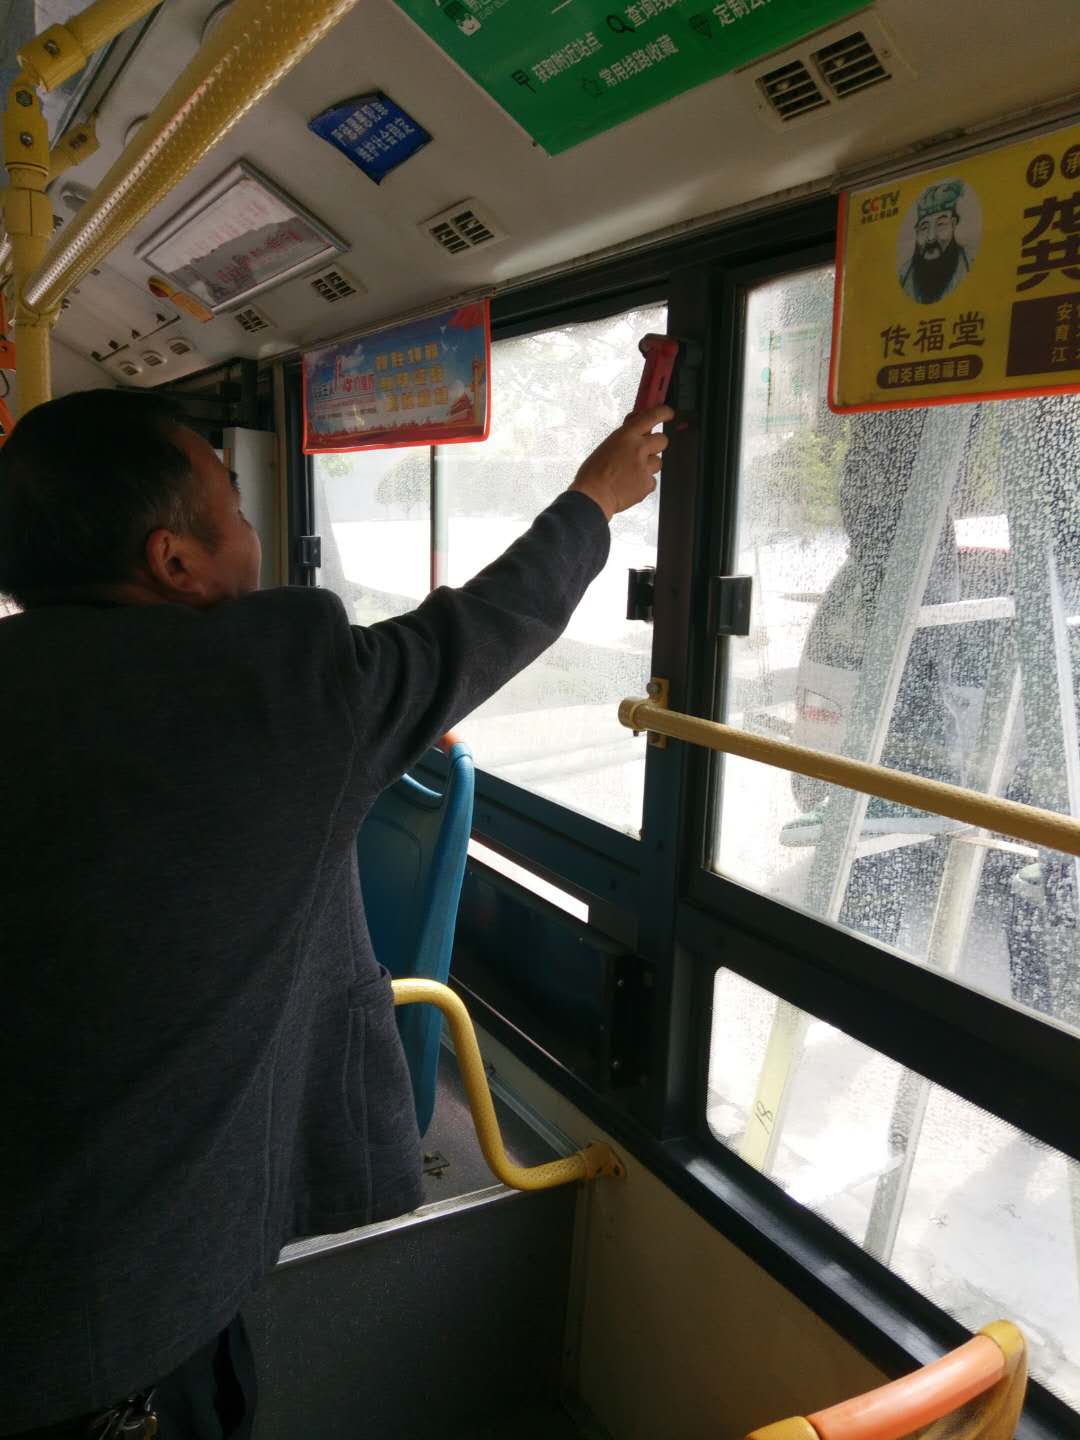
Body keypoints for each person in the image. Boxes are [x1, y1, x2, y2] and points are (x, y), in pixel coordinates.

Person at [0, 388, 671, 1438]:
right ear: (173, 560)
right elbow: (489, 623)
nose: (252, 530)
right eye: (235, 507)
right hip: (116, 1336)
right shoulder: (282, 690)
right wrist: (596, 496)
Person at [898, 180, 972, 305]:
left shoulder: (970, 262)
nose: (931, 237)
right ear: (916, 231)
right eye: (924, 228)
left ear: (953, 224)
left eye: (941, 224)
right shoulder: (903, 274)